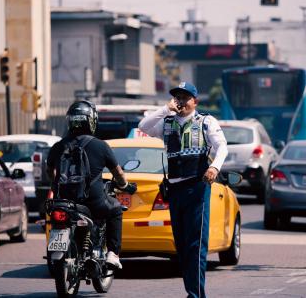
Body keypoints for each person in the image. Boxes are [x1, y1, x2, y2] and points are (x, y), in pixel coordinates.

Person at [138, 82, 228, 298]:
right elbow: (142, 126)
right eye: (177, 97)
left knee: (196, 245)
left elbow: (222, 146)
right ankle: (193, 292)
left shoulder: (206, 121)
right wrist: (165, 109)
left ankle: (195, 295)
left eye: (185, 97)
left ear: (195, 101)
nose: (181, 102)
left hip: (197, 187)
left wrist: (214, 167)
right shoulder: (166, 123)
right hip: (175, 190)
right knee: (182, 246)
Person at [46, 100, 129, 269]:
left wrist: (57, 187)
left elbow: (51, 172)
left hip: (64, 202)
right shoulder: (100, 145)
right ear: (91, 121)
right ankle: (113, 254)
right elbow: (118, 173)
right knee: (116, 209)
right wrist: (125, 185)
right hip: (93, 201)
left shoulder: (58, 146)